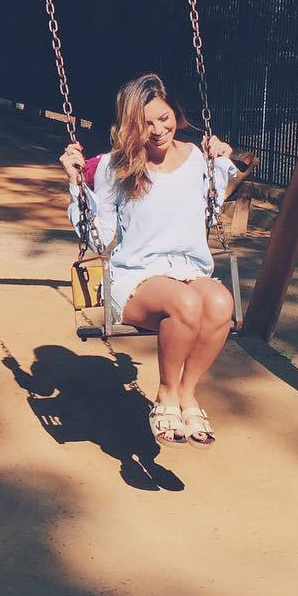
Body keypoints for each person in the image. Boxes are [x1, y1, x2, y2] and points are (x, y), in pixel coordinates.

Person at [59, 72, 236, 447]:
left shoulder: (197, 159)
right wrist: (77, 188)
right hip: (135, 277)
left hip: (188, 270)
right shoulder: (115, 167)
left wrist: (220, 160)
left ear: (175, 113)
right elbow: (100, 237)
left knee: (221, 303)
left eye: (164, 118)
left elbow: (209, 212)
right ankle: (166, 397)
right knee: (185, 303)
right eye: (145, 124)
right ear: (129, 126)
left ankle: (187, 395)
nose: (157, 131)